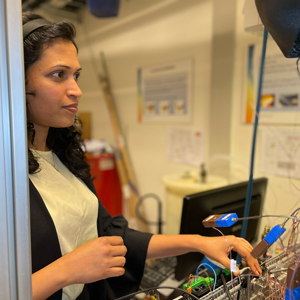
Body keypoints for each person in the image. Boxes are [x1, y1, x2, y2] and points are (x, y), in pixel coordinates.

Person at [23, 12, 261, 300]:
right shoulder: (8, 175)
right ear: (14, 81)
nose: (76, 90)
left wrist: (200, 242)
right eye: (58, 75)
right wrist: (66, 270)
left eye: (76, 75)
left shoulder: (63, 155)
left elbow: (111, 234)